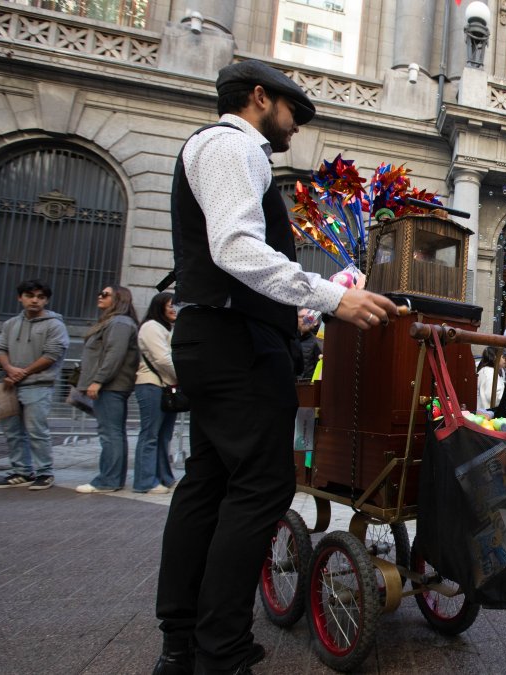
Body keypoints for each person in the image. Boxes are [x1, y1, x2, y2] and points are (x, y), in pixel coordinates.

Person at [153, 60, 397, 675]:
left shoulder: (225, 150)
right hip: (234, 343)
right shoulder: (232, 145)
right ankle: (220, 649)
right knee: (261, 487)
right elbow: (235, 247)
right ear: (260, 98)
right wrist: (332, 296)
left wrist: (300, 311)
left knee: (210, 485)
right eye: (293, 111)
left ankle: (184, 642)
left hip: (224, 335)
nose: (296, 125)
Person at [0, 279, 69, 491]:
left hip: (38, 385)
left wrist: (19, 373)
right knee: (12, 431)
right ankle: (21, 471)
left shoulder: (55, 325)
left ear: (46, 300)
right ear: (20, 297)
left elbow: (51, 355)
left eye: (40, 297)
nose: (35, 300)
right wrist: (9, 368)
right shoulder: (10, 324)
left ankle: (45, 472)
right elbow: (0, 348)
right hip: (9, 385)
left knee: (36, 431)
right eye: (30, 296)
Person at [75, 285, 140, 494]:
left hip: (111, 386)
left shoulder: (119, 322)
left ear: (119, 299)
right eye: (100, 293)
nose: (100, 296)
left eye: (105, 294)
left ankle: (108, 480)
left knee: (110, 433)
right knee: (113, 432)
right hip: (111, 385)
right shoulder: (116, 322)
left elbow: (114, 354)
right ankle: (113, 479)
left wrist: (98, 381)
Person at [134, 292, 179, 494]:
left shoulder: (167, 328)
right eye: (170, 305)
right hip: (152, 385)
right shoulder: (151, 326)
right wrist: (183, 376)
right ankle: (145, 481)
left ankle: (164, 477)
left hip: (165, 386)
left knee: (163, 436)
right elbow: (162, 359)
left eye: (176, 305)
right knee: (151, 434)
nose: (174, 309)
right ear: (159, 307)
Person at [476, 346, 506, 412]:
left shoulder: (485, 370)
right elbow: (495, 396)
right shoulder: (490, 372)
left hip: (483, 412)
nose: (505, 360)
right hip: (488, 413)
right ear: (495, 357)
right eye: (503, 357)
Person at [295, 308, 321, 379]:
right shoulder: (289, 339)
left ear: (314, 322)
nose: (304, 320)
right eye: (302, 317)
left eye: (308, 318)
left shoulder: (318, 342)